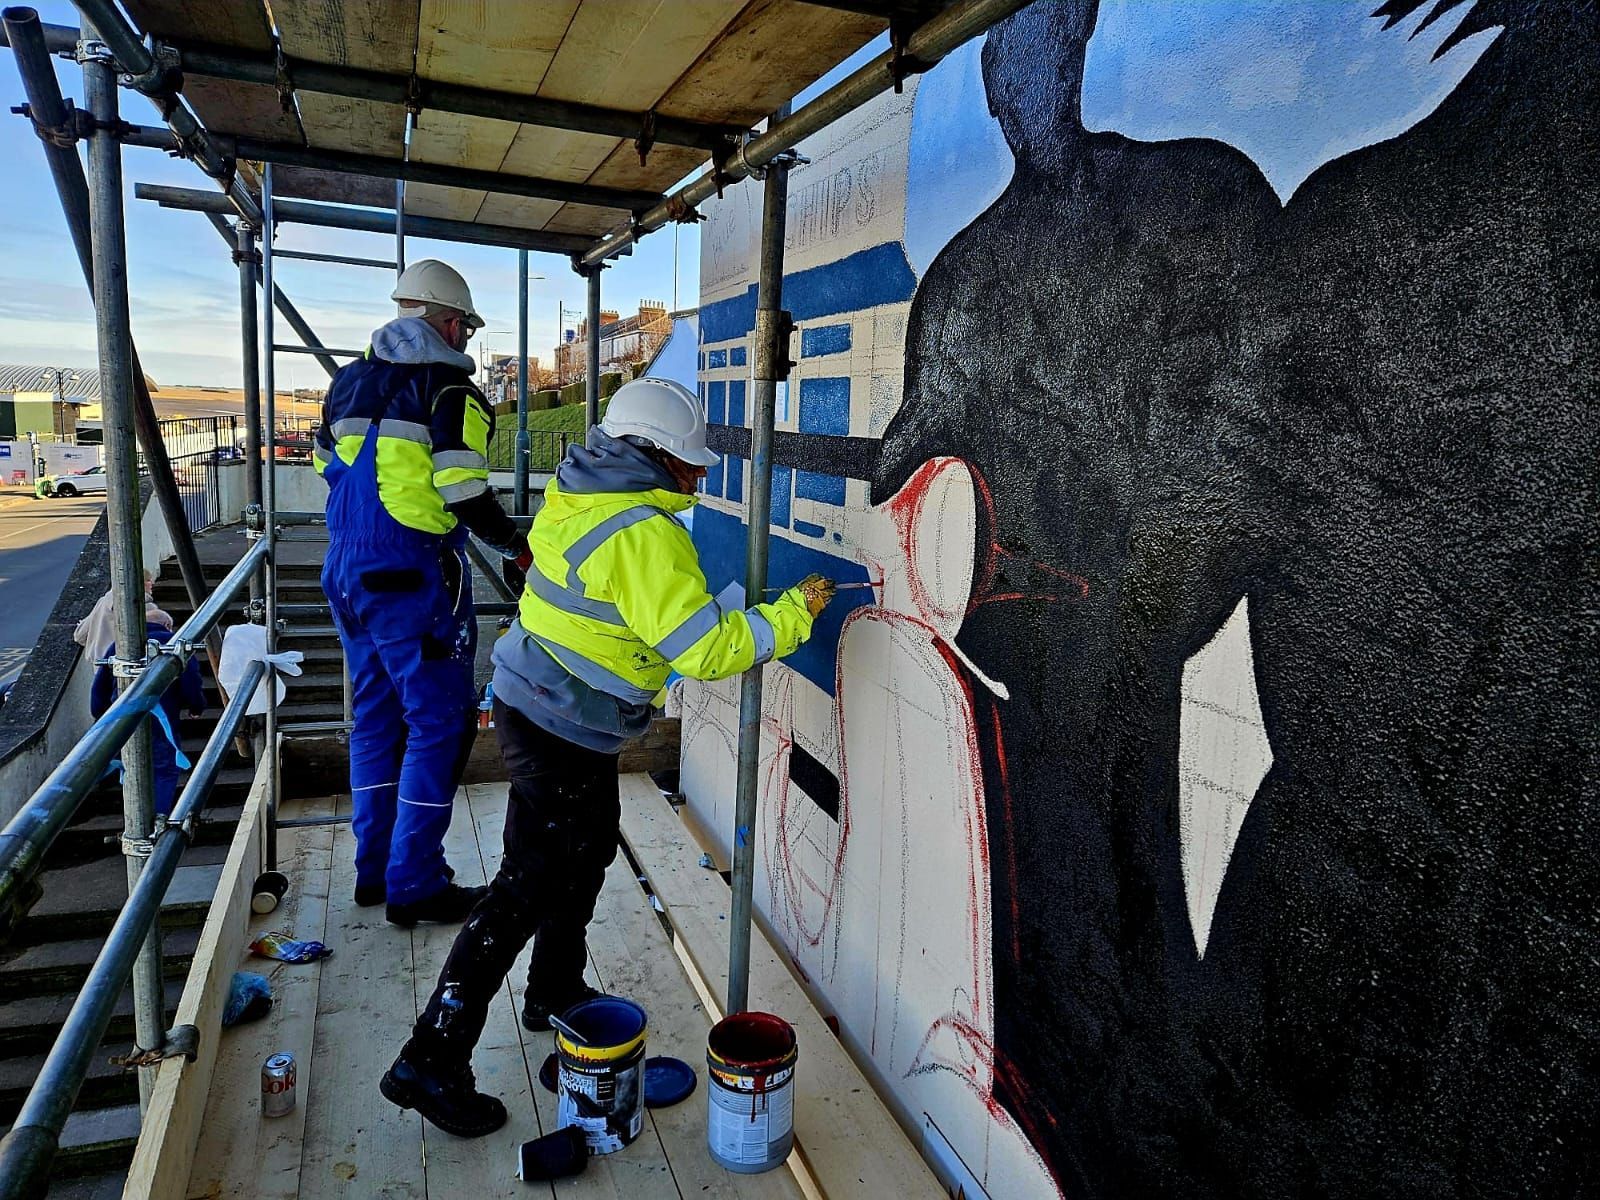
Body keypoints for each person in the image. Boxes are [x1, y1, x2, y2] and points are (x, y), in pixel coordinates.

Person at [379, 377, 835, 1135]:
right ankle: (432, 1055)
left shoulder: (583, 487)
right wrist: (790, 617)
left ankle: (553, 989)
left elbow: (615, 605)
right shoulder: (645, 531)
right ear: (655, 456)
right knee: (527, 884)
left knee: (584, 850)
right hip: (561, 719)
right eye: (690, 464)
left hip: (548, 705)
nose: (697, 477)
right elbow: (706, 649)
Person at [314, 259, 531, 927]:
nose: (465, 337)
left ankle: (373, 870)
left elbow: (327, 463)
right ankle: (415, 883)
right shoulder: (452, 394)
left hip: (347, 570)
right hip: (411, 576)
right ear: (446, 320)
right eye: (464, 325)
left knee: (376, 719)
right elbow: (465, 489)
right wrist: (516, 547)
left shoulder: (349, 383)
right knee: (441, 724)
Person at [75, 574, 206, 816]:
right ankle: (158, 817)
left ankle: (134, 818)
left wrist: (101, 714)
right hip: (162, 716)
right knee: (164, 768)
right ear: (167, 626)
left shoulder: (119, 646)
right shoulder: (173, 647)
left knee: (131, 763)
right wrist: (196, 706)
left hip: (122, 711)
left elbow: (99, 687)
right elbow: (191, 682)